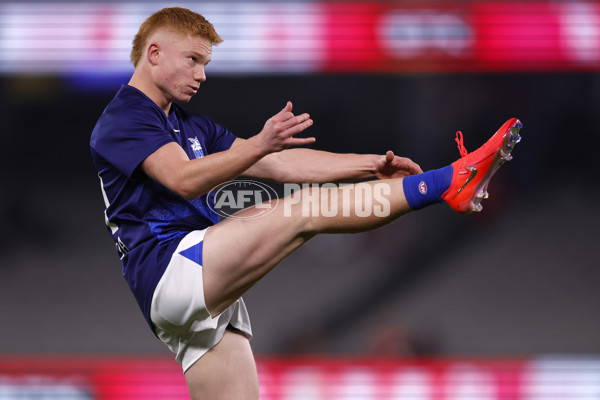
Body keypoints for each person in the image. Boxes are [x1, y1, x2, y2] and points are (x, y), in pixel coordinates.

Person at [90, 7, 522, 400]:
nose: (201, 74)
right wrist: (258, 144)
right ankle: (449, 181)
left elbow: (277, 163)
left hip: (196, 287)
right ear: (153, 53)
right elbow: (183, 179)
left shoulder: (187, 123)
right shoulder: (126, 116)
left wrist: (367, 165)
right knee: (303, 210)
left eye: (205, 63)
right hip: (172, 271)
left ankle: (443, 183)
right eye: (192, 60)